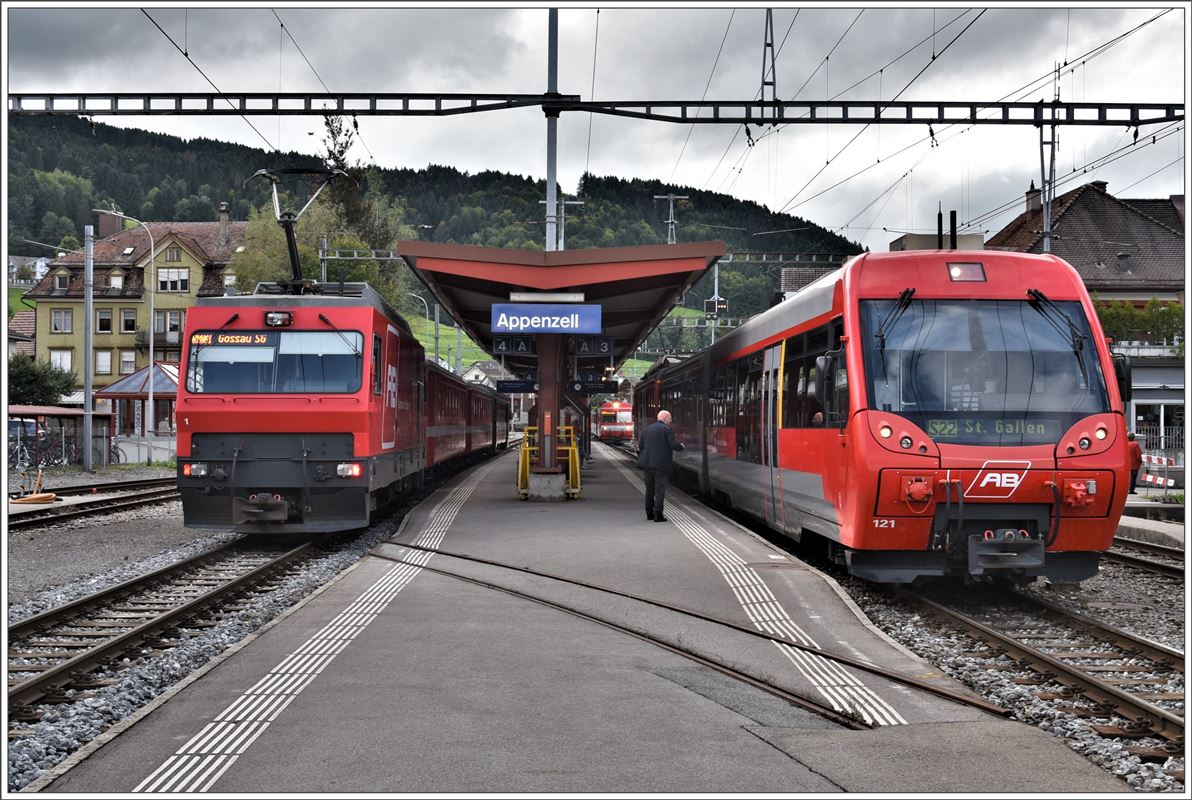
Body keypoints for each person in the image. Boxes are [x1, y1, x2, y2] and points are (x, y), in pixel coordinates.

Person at [636, 409, 684, 522]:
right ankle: (658, 515)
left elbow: (641, 446)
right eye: (670, 418)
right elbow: (672, 445)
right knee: (660, 490)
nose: (671, 420)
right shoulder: (667, 429)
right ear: (665, 418)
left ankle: (649, 513)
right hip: (661, 465)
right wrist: (681, 446)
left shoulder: (647, 429)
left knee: (649, 490)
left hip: (648, 464)